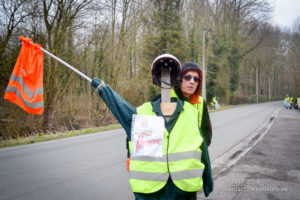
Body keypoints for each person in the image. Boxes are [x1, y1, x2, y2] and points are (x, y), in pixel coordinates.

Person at [91, 54, 213, 199]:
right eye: (188, 77)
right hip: (150, 190)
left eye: (196, 79)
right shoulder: (146, 110)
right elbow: (131, 126)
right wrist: (104, 90)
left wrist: (207, 180)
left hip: (183, 188)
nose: (192, 82)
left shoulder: (194, 110)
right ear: (180, 80)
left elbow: (203, 144)